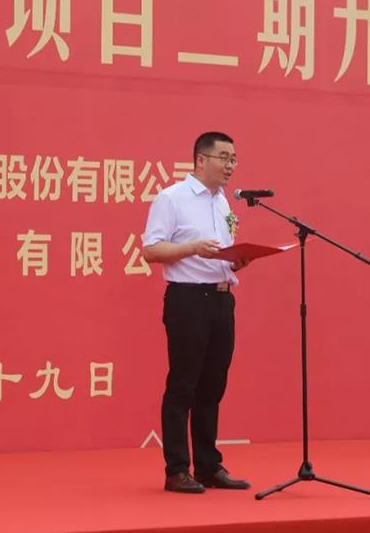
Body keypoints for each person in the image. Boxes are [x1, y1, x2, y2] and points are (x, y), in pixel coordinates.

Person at [141, 131, 252, 493]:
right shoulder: (172, 198)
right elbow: (151, 250)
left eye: (234, 159)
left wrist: (237, 261)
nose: (230, 165)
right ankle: (177, 470)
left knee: (213, 386)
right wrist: (192, 248)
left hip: (222, 299)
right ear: (201, 160)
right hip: (188, 300)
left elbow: (219, 253)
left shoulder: (223, 203)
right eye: (224, 158)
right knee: (183, 385)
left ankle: (208, 466)